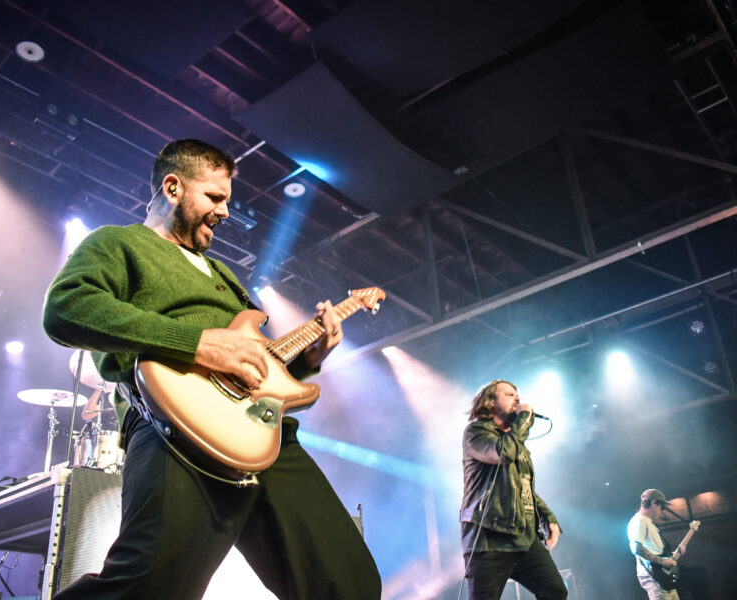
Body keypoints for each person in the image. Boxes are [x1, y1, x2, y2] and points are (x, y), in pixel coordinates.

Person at [42, 138, 382, 599]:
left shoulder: (226, 277)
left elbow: (256, 365)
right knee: (147, 586)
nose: (225, 212)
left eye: (228, 200)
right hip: (173, 428)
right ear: (173, 187)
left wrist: (309, 359)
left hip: (264, 435)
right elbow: (65, 309)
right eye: (215, 197)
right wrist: (197, 343)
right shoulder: (119, 243)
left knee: (349, 584)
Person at [459, 379, 567, 600]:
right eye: (509, 395)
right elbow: (503, 454)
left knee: (555, 591)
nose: (517, 399)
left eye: (517, 395)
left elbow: (523, 485)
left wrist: (547, 516)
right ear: (491, 403)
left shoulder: (516, 441)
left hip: (523, 537)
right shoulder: (476, 433)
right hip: (490, 539)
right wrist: (524, 420)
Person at [627, 489, 685, 600]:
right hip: (656, 578)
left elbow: (656, 551)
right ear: (653, 503)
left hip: (664, 579)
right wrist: (662, 561)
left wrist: (676, 554)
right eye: (662, 507)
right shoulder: (639, 521)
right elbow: (636, 548)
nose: (662, 511)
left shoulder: (649, 524)